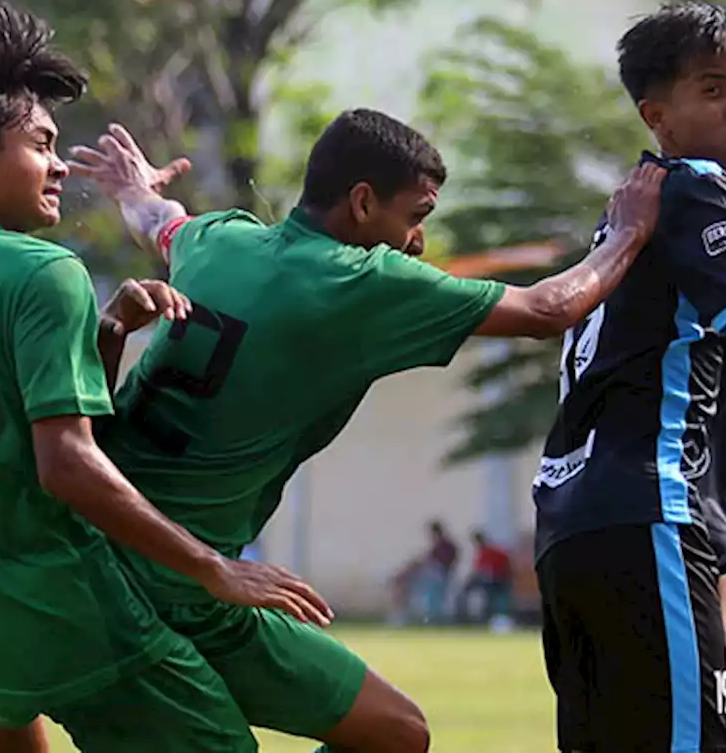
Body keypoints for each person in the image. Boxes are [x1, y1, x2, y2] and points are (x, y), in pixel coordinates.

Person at [44, 110, 666, 753]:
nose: (419, 240)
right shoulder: (361, 282)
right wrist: (627, 231)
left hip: (189, 577)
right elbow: (548, 309)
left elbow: (160, 222)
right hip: (152, 583)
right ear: (363, 203)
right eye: (415, 215)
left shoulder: (219, 239)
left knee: (396, 733)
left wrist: (132, 190)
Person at [0, 0, 331, 753]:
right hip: (74, 614)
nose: (56, 165)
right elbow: (68, 463)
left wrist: (106, 336)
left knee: (8, 715)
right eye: (41, 144)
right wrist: (215, 569)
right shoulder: (43, 270)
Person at [531, 1, 726, 753]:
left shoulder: (638, 208)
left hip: (573, 530)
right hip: (649, 516)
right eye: (714, 89)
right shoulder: (693, 187)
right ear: (657, 114)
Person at [458, 530, 513, 625]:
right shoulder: (494, 551)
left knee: (487, 599)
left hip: (495, 582)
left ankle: (471, 617)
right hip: (499, 582)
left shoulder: (487, 552)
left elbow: (482, 570)